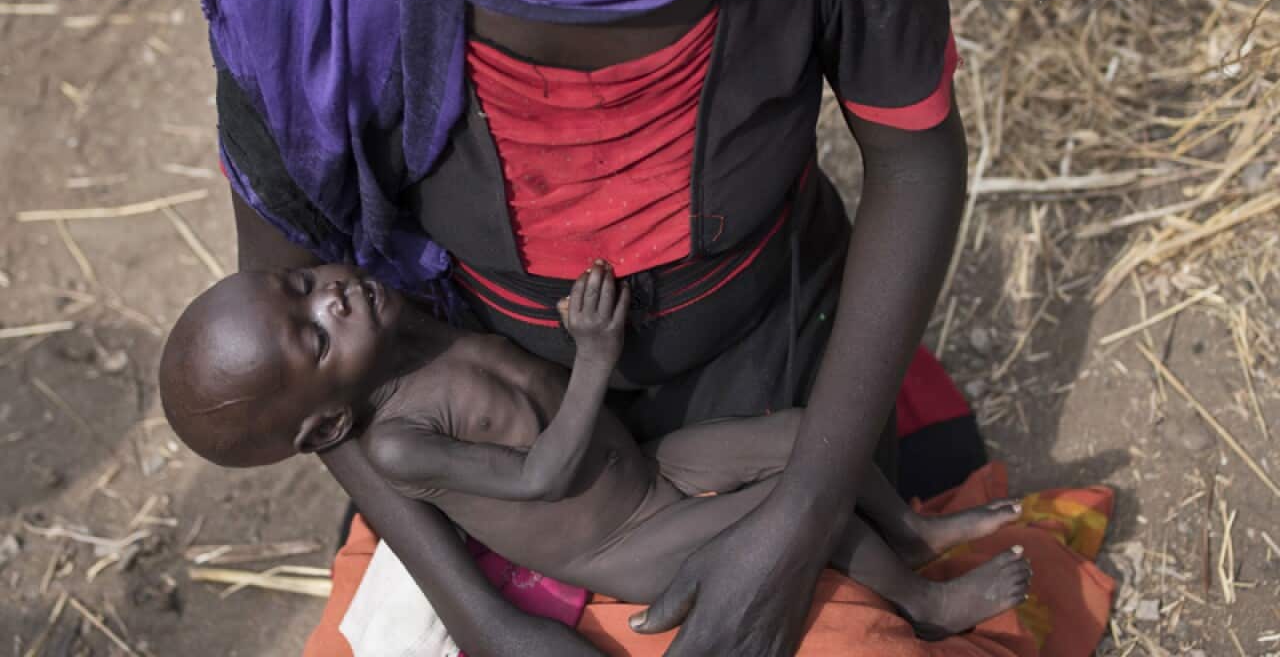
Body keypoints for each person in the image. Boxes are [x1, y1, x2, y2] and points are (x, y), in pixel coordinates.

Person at [203, 0, 969, 653]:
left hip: (773, 364)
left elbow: (914, 163)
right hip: (501, 475)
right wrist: (483, 620)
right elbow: (291, 359)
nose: (325, 302)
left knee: (854, 627)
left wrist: (806, 512)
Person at [160, 261, 1030, 638]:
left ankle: (912, 535)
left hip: (648, 468)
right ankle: (924, 604)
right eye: (314, 338)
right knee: (800, 504)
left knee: (810, 436)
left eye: (303, 286)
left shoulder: (403, 334)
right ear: (324, 430)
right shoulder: (395, 447)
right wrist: (597, 355)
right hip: (623, 542)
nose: (334, 298)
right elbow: (543, 473)